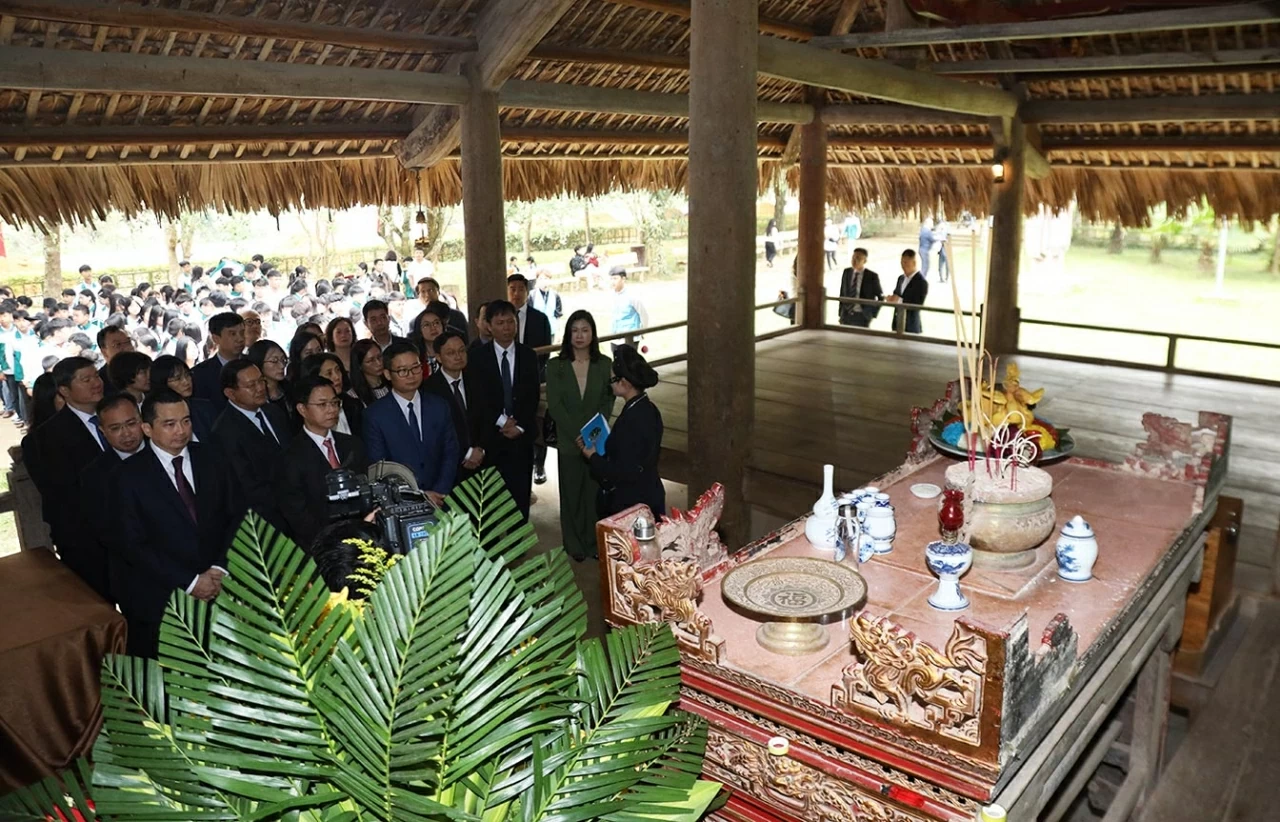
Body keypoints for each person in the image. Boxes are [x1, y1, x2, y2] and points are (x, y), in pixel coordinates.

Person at [114, 390, 241, 658]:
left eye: (186, 421)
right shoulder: (127, 476)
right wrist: (192, 581)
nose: (181, 430)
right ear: (147, 428)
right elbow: (133, 545)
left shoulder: (212, 456)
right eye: (169, 424)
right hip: (165, 598)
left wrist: (220, 567)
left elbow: (236, 514)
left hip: (223, 585)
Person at [26, 358, 107, 596]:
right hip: (87, 542)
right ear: (64, 390)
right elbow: (63, 495)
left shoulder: (117, 417)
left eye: (97, 376)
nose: (96, 383)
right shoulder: (45, 439)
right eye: (86, 379)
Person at [546, 311, 615, 561]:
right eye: (574, 330)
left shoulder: (604, 364)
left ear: (593, 334)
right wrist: (578, 434)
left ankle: (592, 542)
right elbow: (555, 405)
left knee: (593, 494)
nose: (579, 336)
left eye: (585, 330)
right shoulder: (556, 366)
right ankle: (573, 543)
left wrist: (592, 433)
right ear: (568, 334)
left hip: (596, 441)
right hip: (569, 442)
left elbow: (609, 399)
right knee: (572, 493)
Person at [274, 375, 369, 552]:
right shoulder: (290, 456)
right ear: (302, 409)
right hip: (319, 547)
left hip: (362, 539)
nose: (331, 410)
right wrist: (334, 543)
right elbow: (297, 514)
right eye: (322, 404)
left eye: (334, 403)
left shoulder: (352, 444)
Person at [466, 301, 539, 516]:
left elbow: (532, 396)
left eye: (511, 321)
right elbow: (479, 397)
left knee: (520, 495)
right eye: (500, 322)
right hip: (491, 437)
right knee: (491, 499)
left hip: (521, 437)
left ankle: (518, 545)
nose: (507, 327)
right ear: (488, 326)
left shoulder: (528, 355)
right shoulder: (478, 357)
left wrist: (521, 426)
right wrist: (501, 421)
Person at [362, 342, 458, 504]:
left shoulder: (439, 405)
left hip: (442, 499)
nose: (411, 375)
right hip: (402, 503)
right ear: (387, 374)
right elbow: (379, 466)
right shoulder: (375, 414)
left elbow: (450, 451)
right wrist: (418, 495)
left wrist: (439, 491)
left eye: (415, 368)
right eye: (402, 371)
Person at [576, 344, 664, 518]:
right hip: (648, 494)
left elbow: (622, 472)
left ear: (624, 383)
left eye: (612, 380)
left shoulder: (633, 419)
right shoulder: (648, 408)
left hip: (632, 506)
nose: (610, 385)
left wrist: (592, 456)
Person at [77, 394, 148, 602]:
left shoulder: (167, 454)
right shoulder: (95, 476)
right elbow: (109, 532)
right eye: (115, 428)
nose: (126, 434)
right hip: (136, 580)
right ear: (103, 432)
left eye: (131, 424)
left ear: (142, 421)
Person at [211, 360, 293, 528]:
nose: (260, 388)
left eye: (261, 380)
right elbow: (247, 486)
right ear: (230, 393)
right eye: (251, 385)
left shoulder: (274, 412)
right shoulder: (224, 432)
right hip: (265, 520)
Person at [423, 329, 485, 485]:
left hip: (483, 460)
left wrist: (480, 449)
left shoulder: (478, 379)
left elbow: (487, 417)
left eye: (462, 350)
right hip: (449, 468)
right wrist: (466, 453)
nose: (458, 356)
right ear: (438, 357)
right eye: (451, 353)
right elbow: (436, 431)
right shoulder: (429, 389)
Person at [150, 354, 218, 442]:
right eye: (177, 378)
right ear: (162, 383)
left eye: (187, 375)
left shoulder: (204, 408)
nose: (186, 382)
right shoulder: (154, 413)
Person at [299, 352, 363, 438]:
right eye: (329, 373)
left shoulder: (354, 405)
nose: (337, 377)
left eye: (338, 370)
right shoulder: (305, 414)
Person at [190, 312, 246, 409]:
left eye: (242, 333)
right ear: (216, 338)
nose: (240, 339)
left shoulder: (255, 363)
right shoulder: (200, 374)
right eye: (232, 334)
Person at [246, 339, 292, 421]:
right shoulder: (255, 397)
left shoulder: (290, 389)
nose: (282, 366)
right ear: (259, 363)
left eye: (283, 359)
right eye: (274, 361)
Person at [838, 247, 884, 329]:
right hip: (846, 314)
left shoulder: (871, 276)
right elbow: (842, 292)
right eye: (853, 258)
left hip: (862, 315)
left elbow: (880, 297)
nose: (854, 260)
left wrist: (872, 313)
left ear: (865, 261)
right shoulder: (847, 272)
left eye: (858, 258)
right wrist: (840, 313)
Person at [888, 249, 929, 335]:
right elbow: (897, 294)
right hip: (897, 323)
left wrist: (898, 300)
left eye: (906, 262)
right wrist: (891, 298)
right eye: (902, 262)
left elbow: (918, 304)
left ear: (914, 263)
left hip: (911, 325)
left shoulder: (921, 282)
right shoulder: (900, 278)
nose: (903, 265)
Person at [608, 267, 648, 342]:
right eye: (611, 279)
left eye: (615, 278)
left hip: (630, 338)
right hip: (615, 337)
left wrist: (642, 332)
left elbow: (644, 315)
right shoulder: (612, 295)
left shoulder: (633, 296)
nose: (612, 282)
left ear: (623, 279)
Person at [349, 338, 390, 406]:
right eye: (371, 361)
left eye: (379, 357)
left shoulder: (392, 384)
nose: (378, 363)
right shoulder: (354, 396)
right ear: (359, 365)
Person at [96, 324, 134, 391]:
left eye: (128, 342)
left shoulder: (145, 372)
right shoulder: (100, 381)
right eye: (118, 344)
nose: (126, 348)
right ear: (104, 352)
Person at [529, 269, 563, 340]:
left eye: (546, 278)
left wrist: (559, 332)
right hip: (536, 330)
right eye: (540, 279)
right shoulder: (532, 295)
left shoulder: (555, 295)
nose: (543, 281)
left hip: (551, 329)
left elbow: (558, 315)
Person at [934, 219, 951, 283]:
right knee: (944, 263)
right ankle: (945, 277)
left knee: (942, 264)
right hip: (942, 247)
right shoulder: (946, 227)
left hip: (943, 246)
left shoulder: (942, 228)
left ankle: (943, 278)